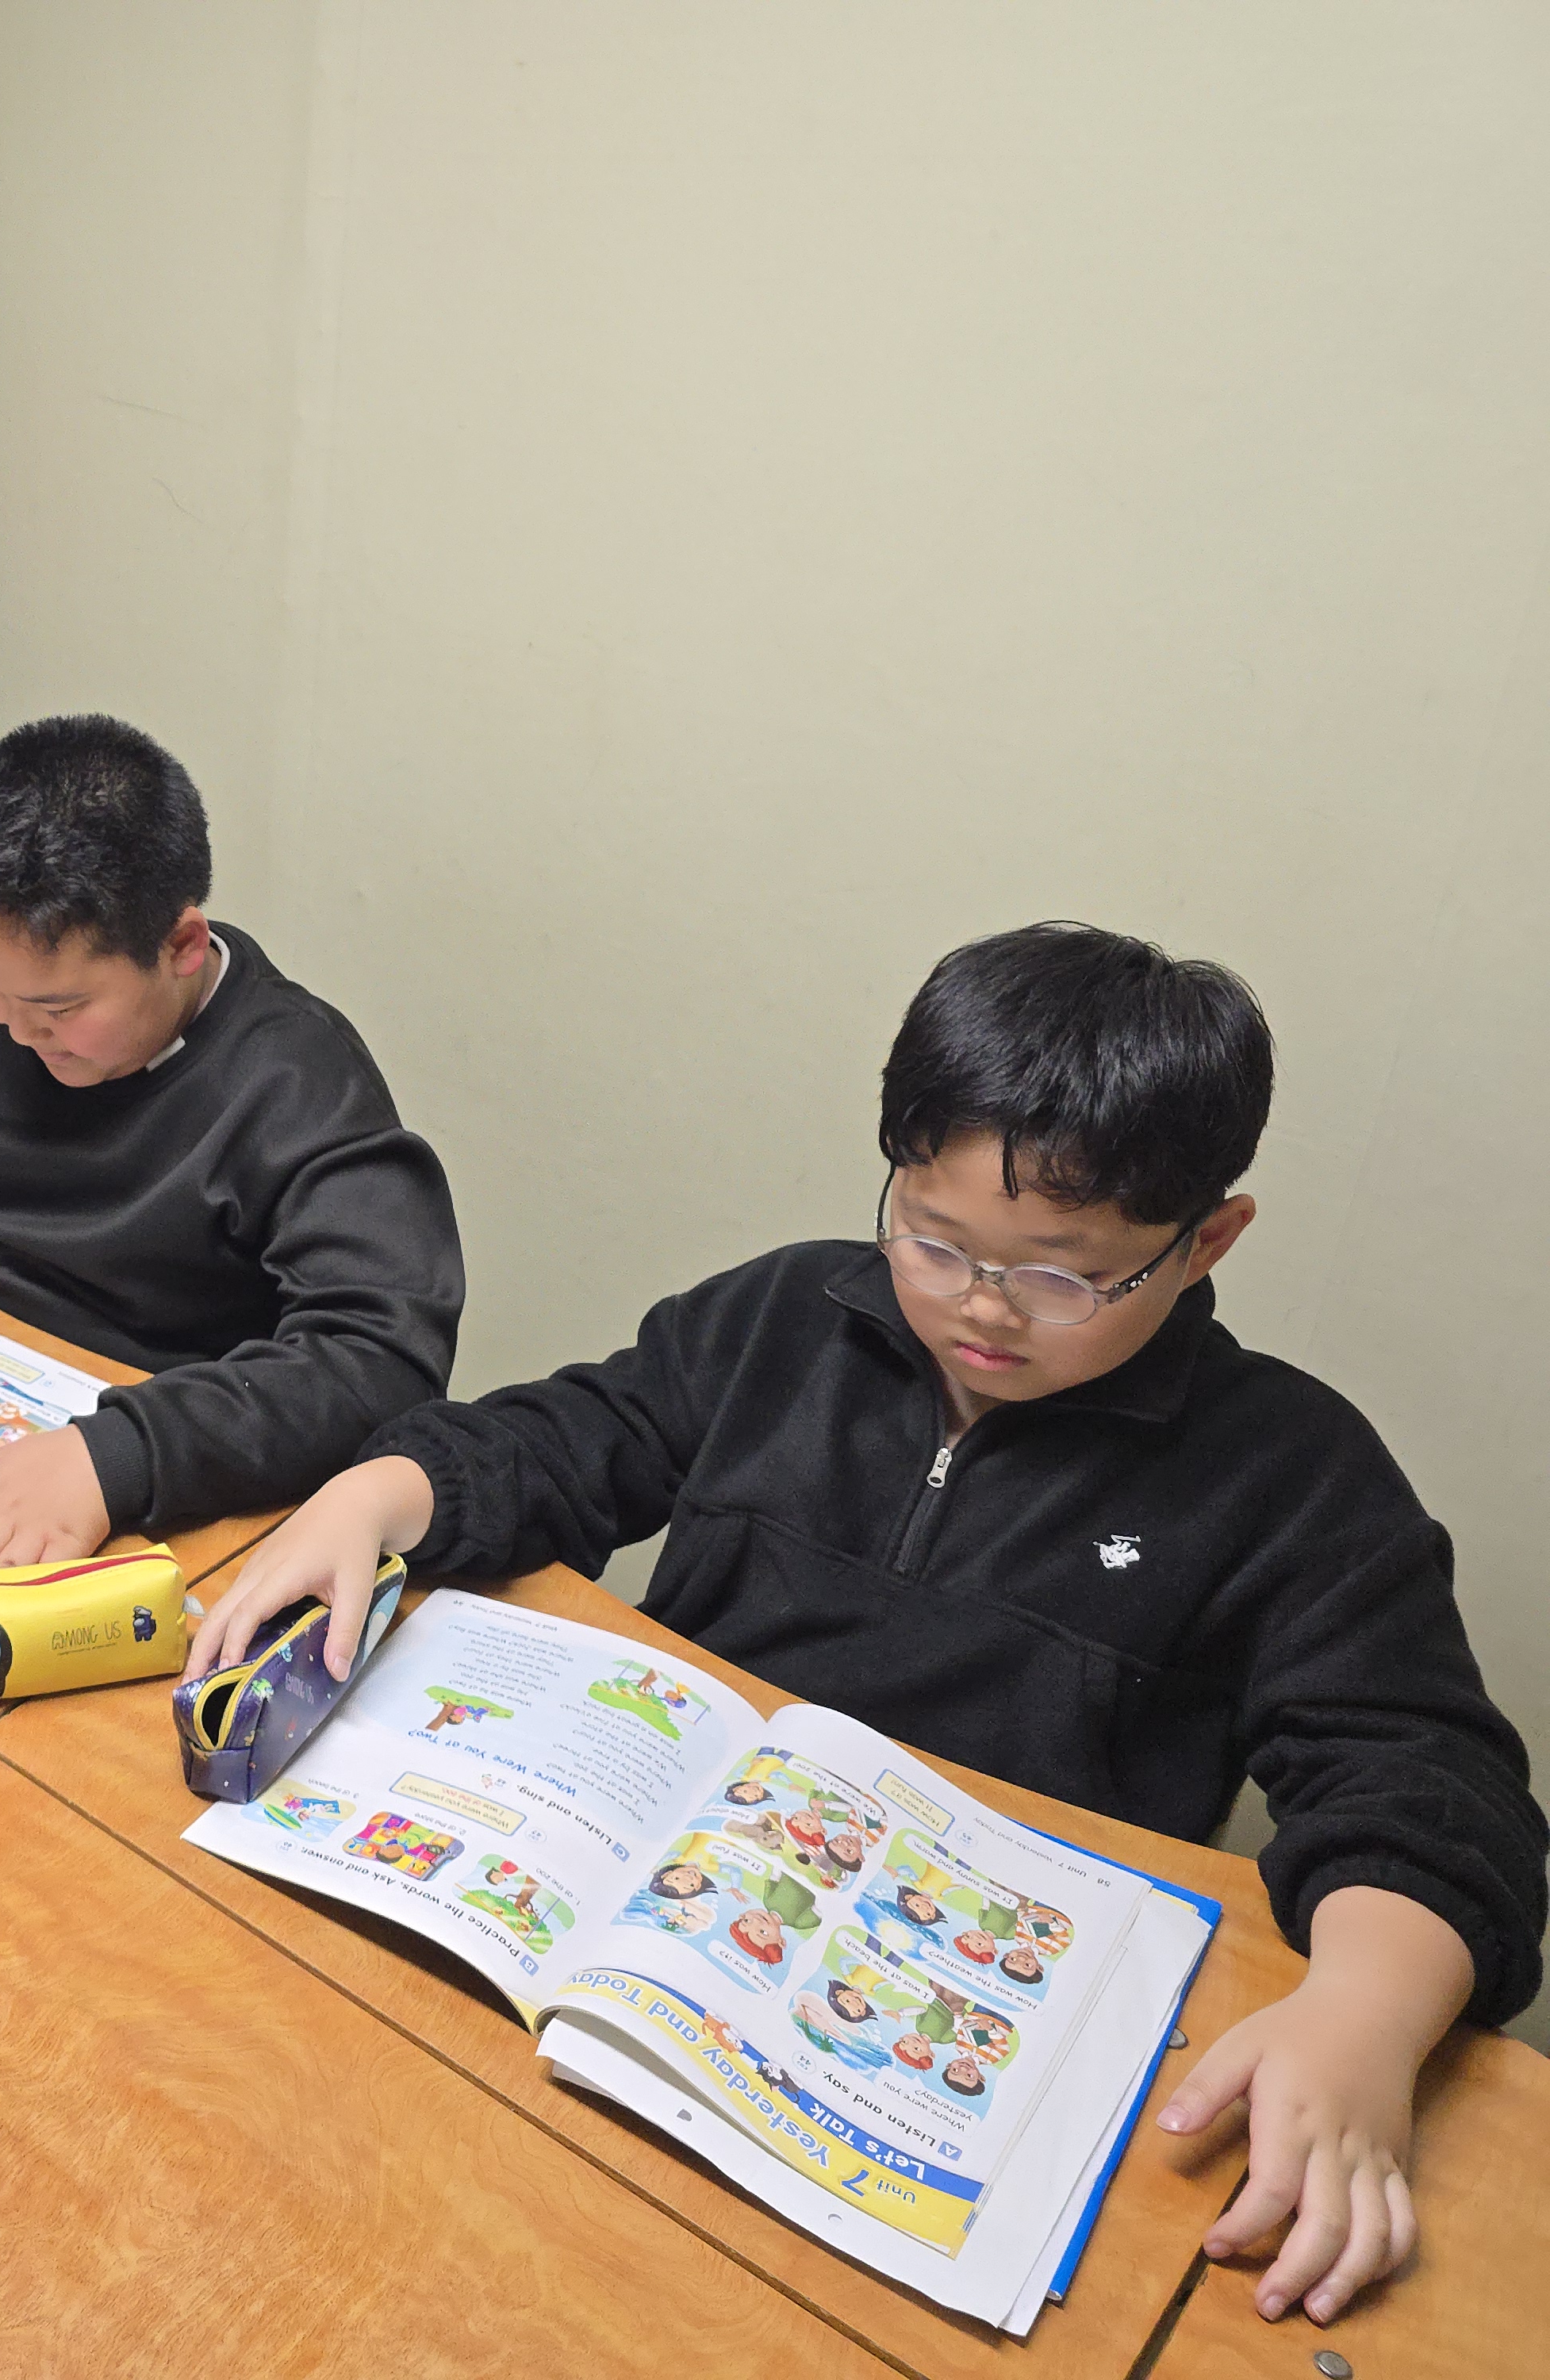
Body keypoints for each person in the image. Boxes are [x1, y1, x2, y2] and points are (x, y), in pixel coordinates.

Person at [187, 923, 1545, 2330]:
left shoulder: (1293, 1477)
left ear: (1207, 1240)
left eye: (1063, 1276)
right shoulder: (787, 1317)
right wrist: (379, 1492)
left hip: (931, 2033)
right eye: (934, 1240)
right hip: (624, 1954)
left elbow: (1425, 1781)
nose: (983, 1309)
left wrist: (1367, 2017)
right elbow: (575, 1435)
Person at [0, 715, 465, 1568]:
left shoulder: (297, 1083)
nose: (17, 1031)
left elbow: (378, 1359)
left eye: (59, 1009)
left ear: (180, 945)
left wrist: (120, 1456)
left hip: (164, 1474)